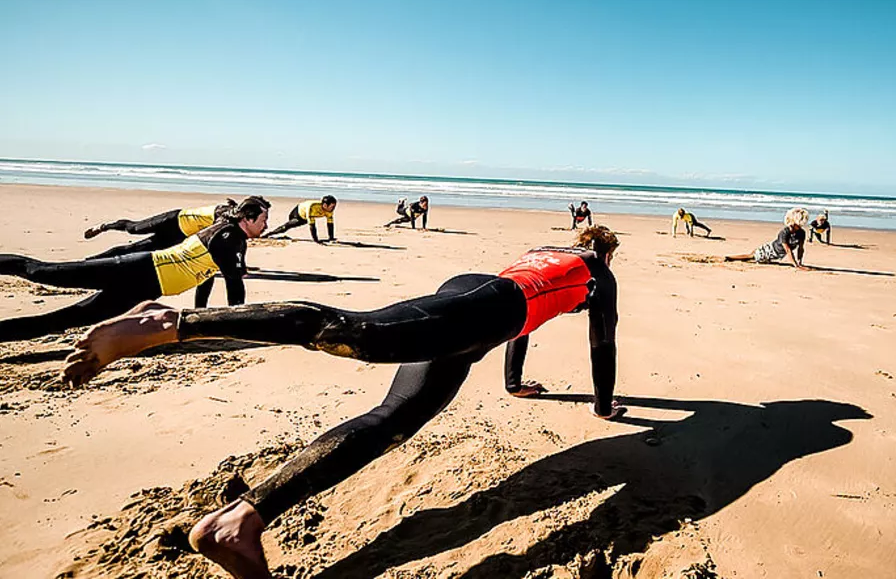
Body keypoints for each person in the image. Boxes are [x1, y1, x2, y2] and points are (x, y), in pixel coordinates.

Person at [60, 225, 624, 579]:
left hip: (477, 312)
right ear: (605, 253)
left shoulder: (548, 255)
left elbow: (523, 320)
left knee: (392, 420)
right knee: (350, 332)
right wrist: (602, 406)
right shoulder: (598, 273)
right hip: (484, 310)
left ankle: (241, 522)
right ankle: (170, 322)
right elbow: (604, 341)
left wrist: (511, 384)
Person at [0, 197, 270, 342]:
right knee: (42, 272)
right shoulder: (229, 238)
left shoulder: (233, 236)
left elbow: (212, 277)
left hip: (146, 286)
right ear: (247, 218)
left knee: (68, 319)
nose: (267, 226)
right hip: (138, 270)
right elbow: (235, 285)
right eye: (263, 220)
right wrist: (240, 323)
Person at [83, 199, 239, 258]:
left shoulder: (234, 225)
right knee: (133, 228)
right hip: (171, 220)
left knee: (135, 249)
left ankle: (92, 261)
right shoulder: (223, 212)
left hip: (178, 235)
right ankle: (104, 227)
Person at [724, 207, 809, 271]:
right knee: (751, 256)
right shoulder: (785, 232)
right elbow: (788, 250)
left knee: (751, 256)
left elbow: (801, 249)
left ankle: (730, 258)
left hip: (775, 254)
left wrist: (800, 262)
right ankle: (729, 258)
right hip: (769, 250)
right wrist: (796, 266)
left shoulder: (802, 233)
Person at [265, 196, 337, 243]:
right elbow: (312, 226)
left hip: (305, 218)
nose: (333, 208)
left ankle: (270, 234)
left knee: (295, 224)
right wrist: (316, 240)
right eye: (332, 206)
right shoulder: (312, 208)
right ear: (325, 205)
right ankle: (269, 234)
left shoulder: (329, 211)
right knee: (287, 226)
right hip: (297, 213)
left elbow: (330, 224)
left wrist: (331, 238)